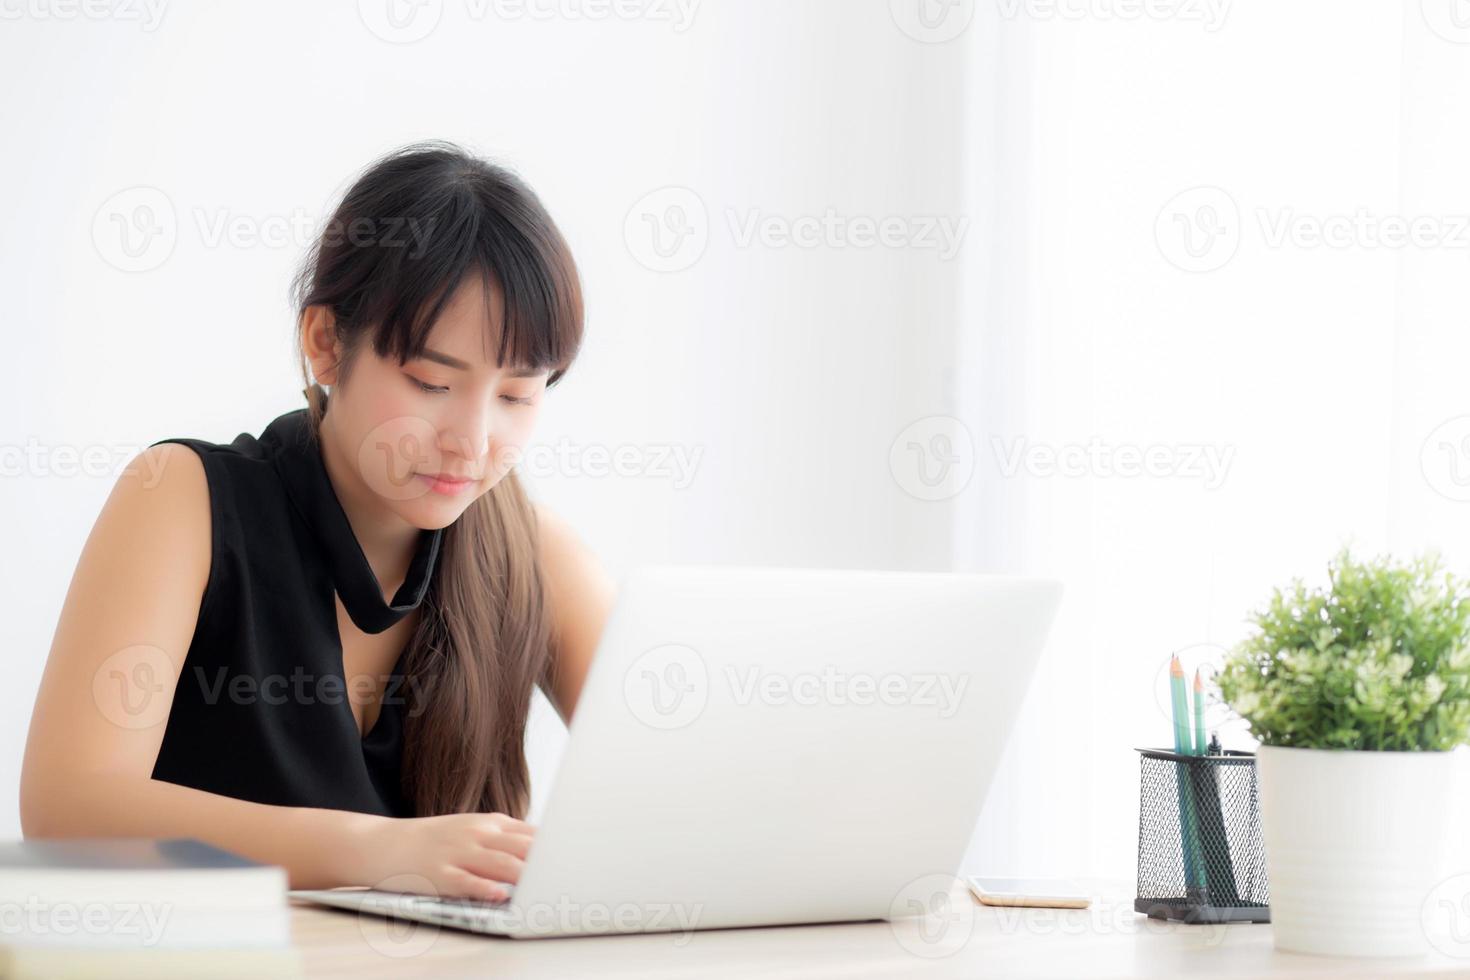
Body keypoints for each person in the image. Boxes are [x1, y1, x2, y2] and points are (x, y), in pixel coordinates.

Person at [20, 141, 616, 902]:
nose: (472, 443)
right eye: (433, 382)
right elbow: (68, 807)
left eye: (517, 397)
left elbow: (689, 782)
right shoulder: (182, 498)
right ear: (327, 344)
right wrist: (377, 849)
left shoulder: (534, 555)